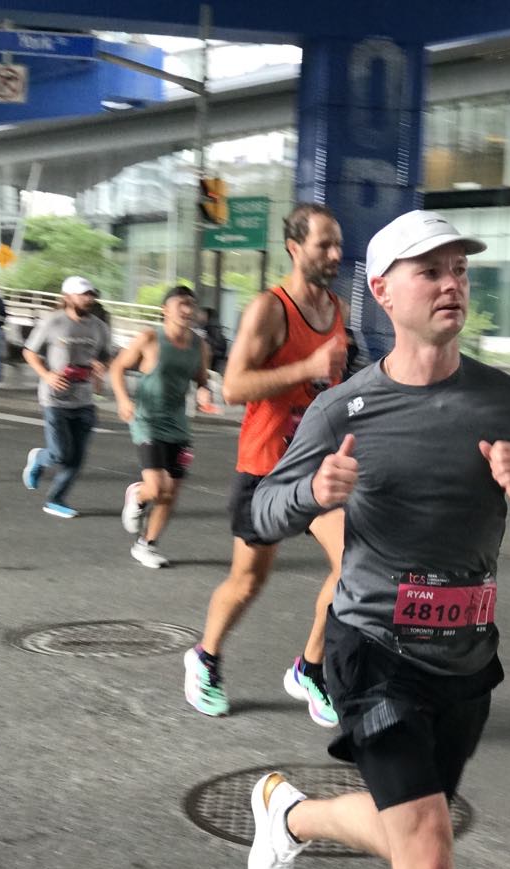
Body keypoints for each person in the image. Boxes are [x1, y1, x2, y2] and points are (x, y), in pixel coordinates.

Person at [245, 209, 510, 869]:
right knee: (428, 861)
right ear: (385, 292)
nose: (452, 284)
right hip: (373, 649)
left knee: (412, 840)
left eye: (459, 269)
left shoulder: (507, 402)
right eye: (431, 271)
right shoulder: (344, 411)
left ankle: (289, 814)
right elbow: (260, 511)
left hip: (466, 657)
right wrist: (311, 495)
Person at [183, 202, 351, 724]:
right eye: (324, 243)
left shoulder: (336, 309)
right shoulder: (269, 309)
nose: (335, 253)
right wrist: (306, 366)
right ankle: (205, 657)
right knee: (249, 581)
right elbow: (233, 387)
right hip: (266, 469)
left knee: (356, 569)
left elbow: (332, 391)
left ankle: (311, 667)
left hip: (317, 470)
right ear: (294, 248)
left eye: (337, 243)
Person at [112, 285, 212, 568]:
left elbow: (201, 378)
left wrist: (205, 391)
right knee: (157, 488)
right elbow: (117, 367)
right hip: (148, 421)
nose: (187, 309)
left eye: (191, 304)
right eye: (180, 303)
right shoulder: (149, 338)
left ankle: (147, 545)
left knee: (172, 491)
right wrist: (122, 400)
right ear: (165, 310)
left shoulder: (199, 346)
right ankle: (138, 493)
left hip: (178, 425)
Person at [21, 276, 111, 519]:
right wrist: (47, 375)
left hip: (84, 399)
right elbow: (29, 352)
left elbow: (104, 356)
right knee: (60, 453)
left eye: (90, 294)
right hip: (55, 399)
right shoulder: (53, 322)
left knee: (77, 457)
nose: (88, 298)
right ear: (67, 297)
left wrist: (101, 368)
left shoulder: (99, 327)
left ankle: (56, 499)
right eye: (83, 294)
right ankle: (39, 458)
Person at [201, 307, 229, 375]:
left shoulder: (210, 332)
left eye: (202, 314)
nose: (199, 316)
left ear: (208, 316)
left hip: (212, 367)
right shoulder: (213, 331)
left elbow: (214, 350)